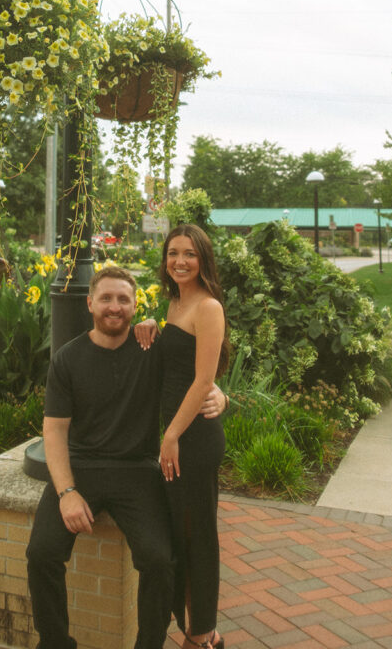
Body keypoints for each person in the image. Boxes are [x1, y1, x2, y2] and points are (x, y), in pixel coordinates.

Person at [26, 264, 227, 649]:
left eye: (123, 299)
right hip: (80, 468)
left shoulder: (150, 350)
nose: (114, 307)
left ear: (136, 306)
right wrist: (66, 491)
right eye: (106, 298)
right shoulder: (67, 359)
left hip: (137, 471)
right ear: (89, 303)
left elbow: (197, 377)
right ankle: (54, 643)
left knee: (159, 561)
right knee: (41, 554)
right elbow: (54, 431)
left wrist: (221, 395)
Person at [135, 225, 228, 649]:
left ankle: (203, 633)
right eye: (173, 253)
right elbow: (174, 365)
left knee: (198, 536)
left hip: (193, 439)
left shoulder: (208, 307)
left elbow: (204, 379)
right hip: (175, 435)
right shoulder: (174, 302)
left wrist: (170, 436)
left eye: (189, 254)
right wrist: (150, 324)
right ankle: (200, 628)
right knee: (181, 534)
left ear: (202, 258)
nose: (180, 261)